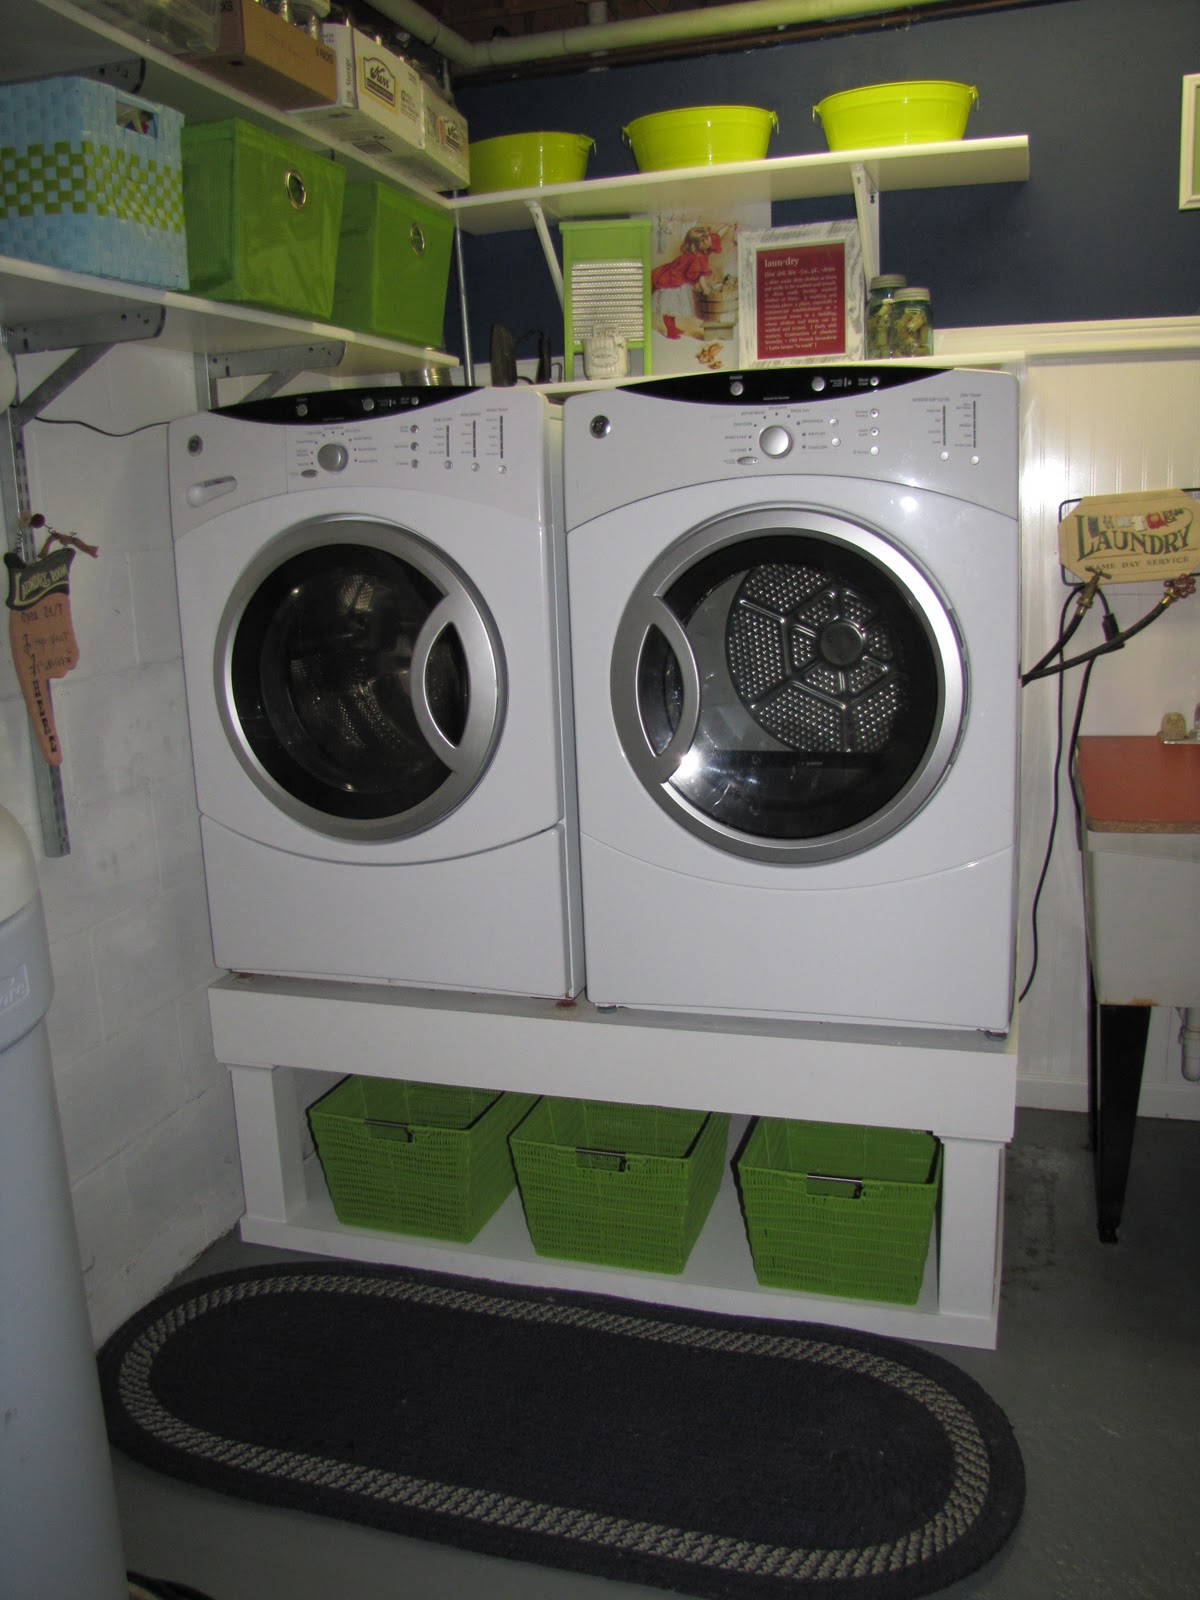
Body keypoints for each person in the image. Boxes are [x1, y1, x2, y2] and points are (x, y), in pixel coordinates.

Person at [651, 222, 731, 340]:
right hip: (672, 282)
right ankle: (671, 330)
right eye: (706, 238)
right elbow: (700, 276)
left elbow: (714, 236)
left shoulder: (700, 250)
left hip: (675, 279)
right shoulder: (698, 257)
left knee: (671, 308)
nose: (710, 240)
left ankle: (672, 329)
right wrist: (705, 289)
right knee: (669, 307)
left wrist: (725, 227)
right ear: (699, 244)